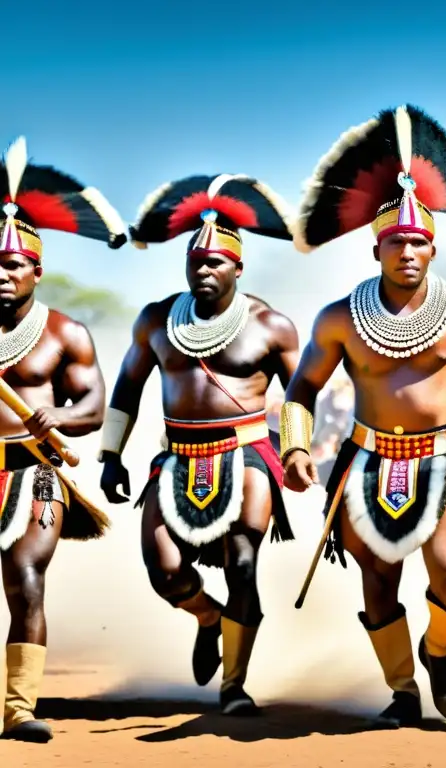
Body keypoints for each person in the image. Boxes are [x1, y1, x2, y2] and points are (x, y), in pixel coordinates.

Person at [282, 105, 446, 726]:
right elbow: (301, 391)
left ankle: (438, 651)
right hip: (366, 461)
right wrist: (297, 448)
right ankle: (403, 690)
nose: (407, 251)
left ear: (433, 249)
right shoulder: (337, 318)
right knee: (379, 581)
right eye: (396, 242)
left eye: (418, 242)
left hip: (444, 457)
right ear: (375, 247)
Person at [98, 174, 299, 714]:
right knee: (163, 570)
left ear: (239, 266)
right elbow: (127, 388)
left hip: (249, 451)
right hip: (178, 457)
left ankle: (234, 685)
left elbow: (303, 393)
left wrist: (297, 450)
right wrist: (110, 455)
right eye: (195, 261)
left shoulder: (271, 325)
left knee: (243, 564)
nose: (203, 270)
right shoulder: (157, 320)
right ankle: (208, 618)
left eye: (215, 262)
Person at [0, 137, 122, 742]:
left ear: (37, 270)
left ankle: (18, 708)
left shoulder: (64, 333)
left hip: (34, 473)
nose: (2, 273)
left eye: (14, 264)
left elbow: (95, 407)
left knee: (24, 574)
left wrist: (59, 421)